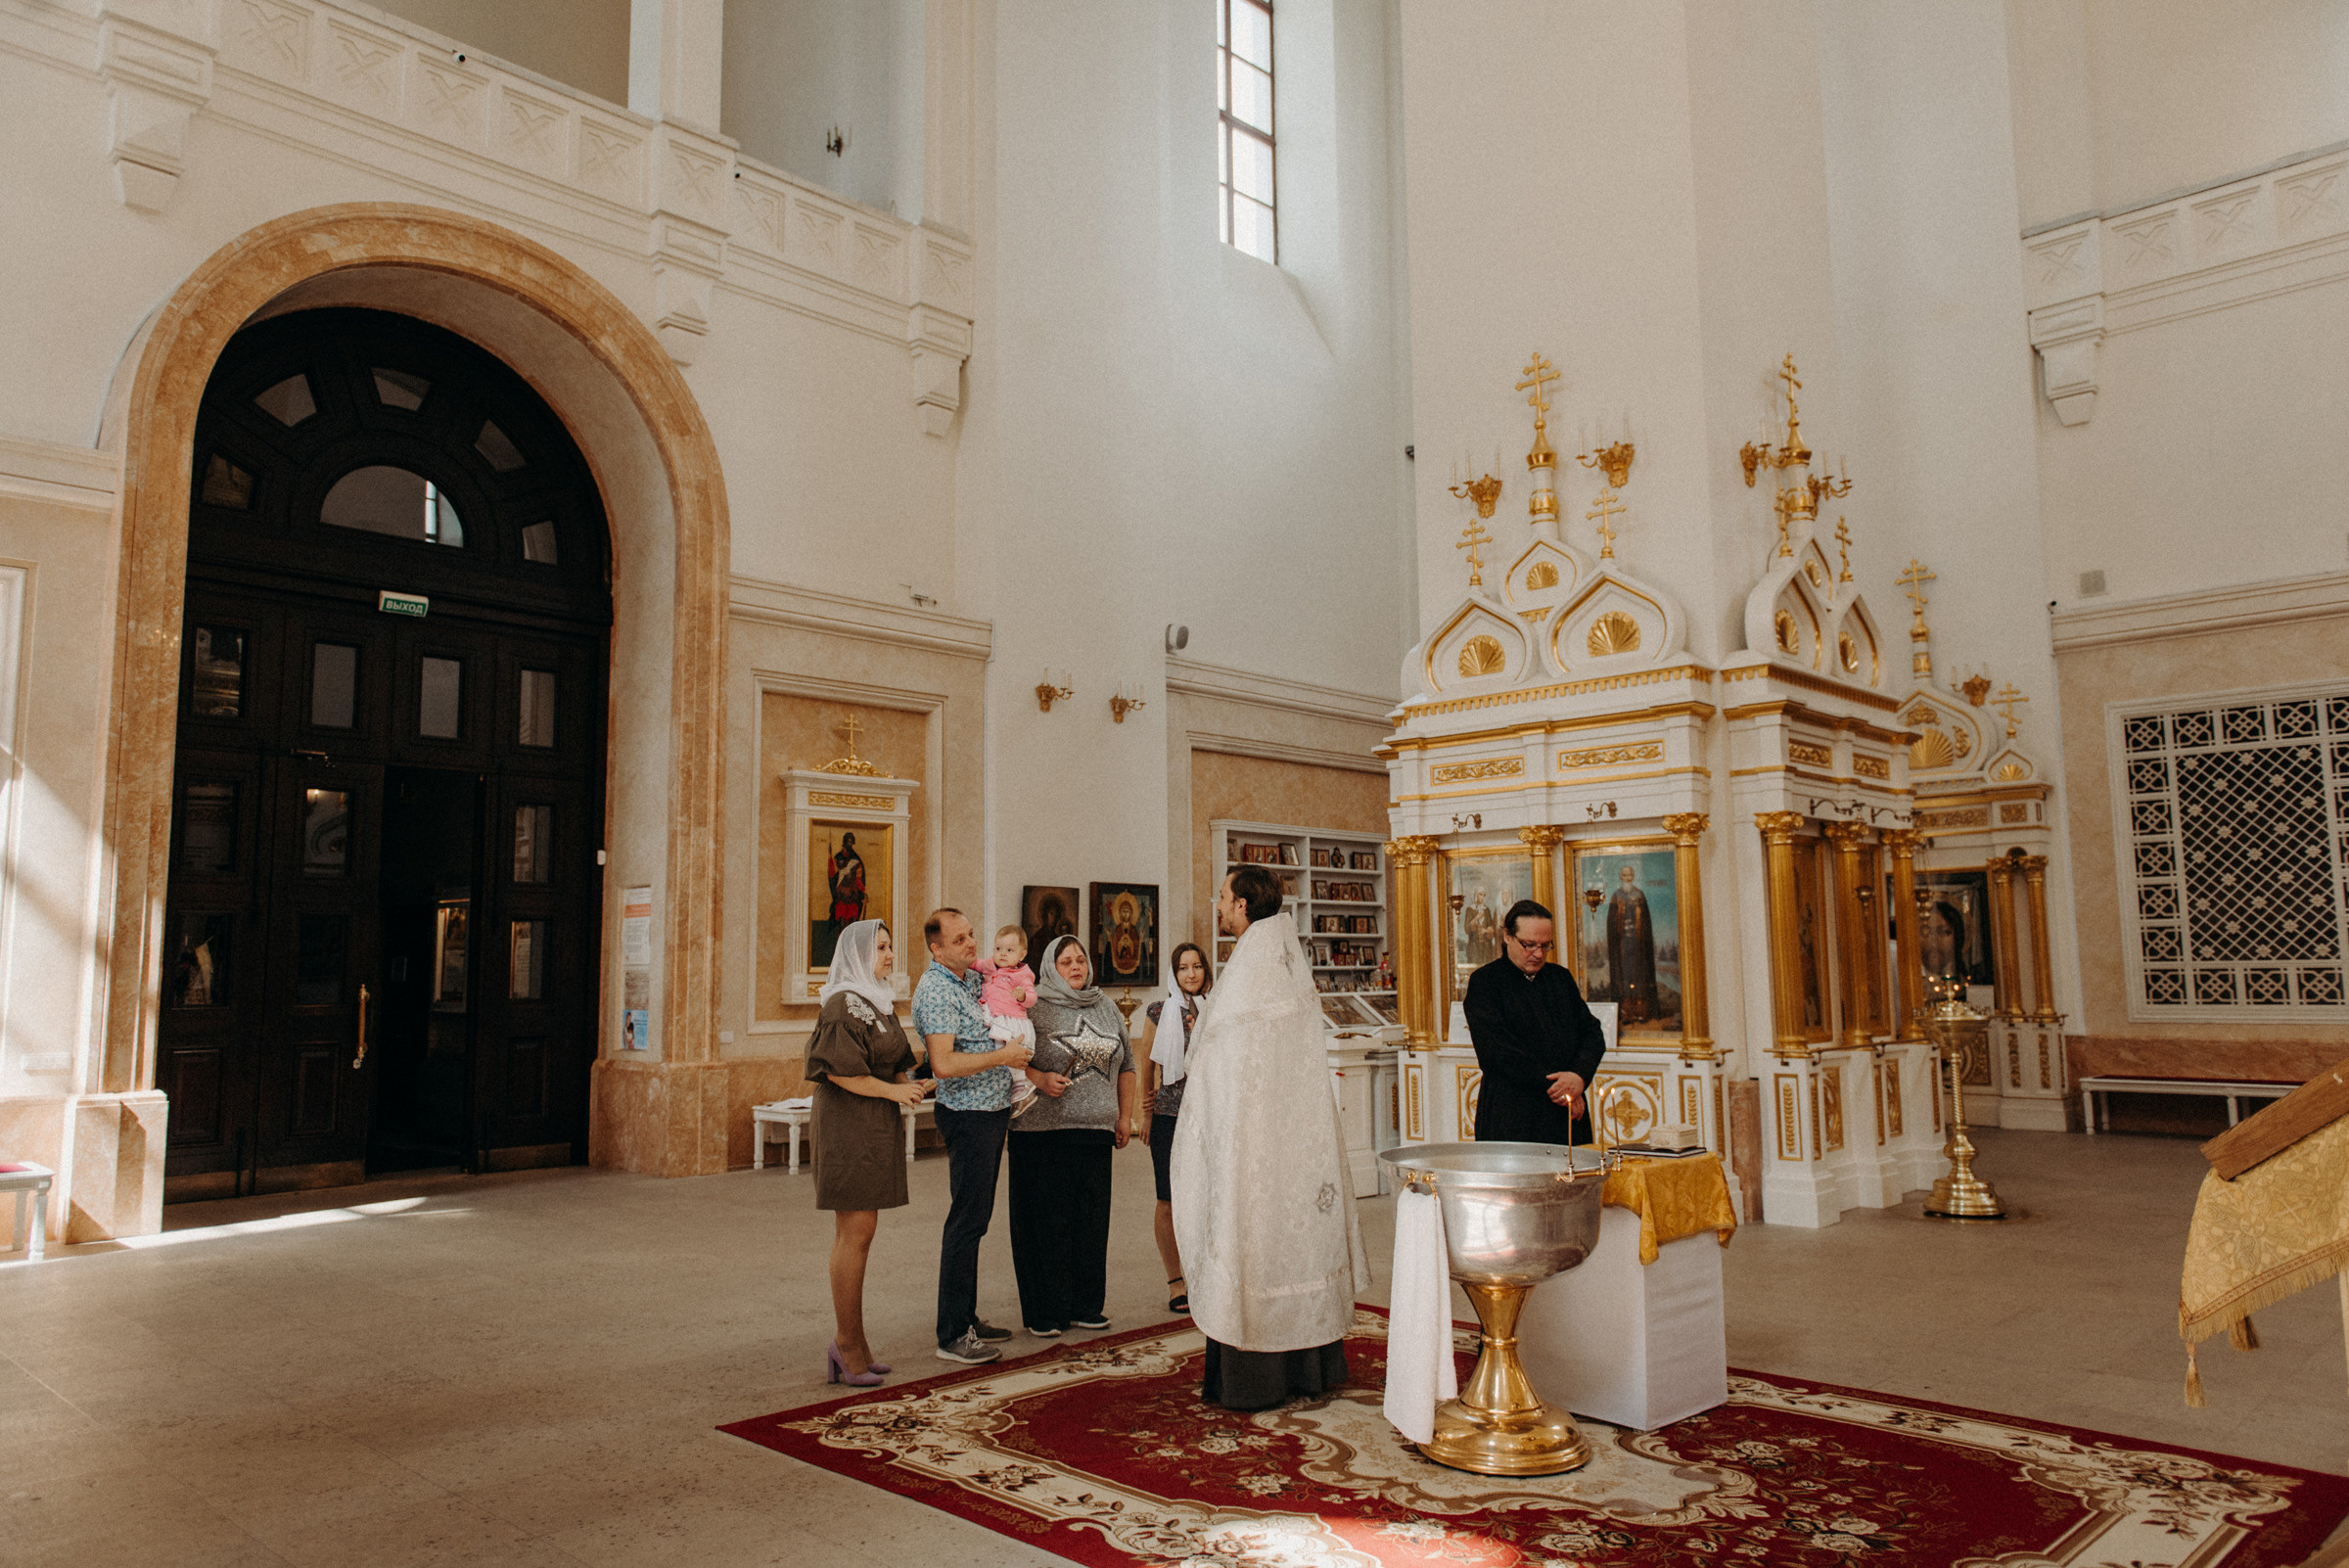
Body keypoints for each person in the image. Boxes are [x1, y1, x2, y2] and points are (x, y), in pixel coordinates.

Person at [1172, 866, 1370, 1411]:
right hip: (1294, 1134)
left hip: (1253, 1141)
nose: (1217, 906)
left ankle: (1255, 1377)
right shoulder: (1284, 955)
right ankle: (1311, 1368)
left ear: (1241, 906)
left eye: (1221, 897)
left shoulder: (1248, 969)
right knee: (1294, 1238)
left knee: (1253, 1238)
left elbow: (1214, 1056)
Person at [803, 919, 928, 1387]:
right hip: (848, 1123)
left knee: (864, 1231)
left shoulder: (878, 1002)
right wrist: (895, 1094)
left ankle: (856, 1341)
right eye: (881, 947)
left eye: (891, 946)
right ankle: (846, 1344)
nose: (890, 955)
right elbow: (840, 1073)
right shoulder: (841, 1004)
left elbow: (894, 1062)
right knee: (854, 1231)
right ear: (856, 954)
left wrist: (910, 1085)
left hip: (875, 1122)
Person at [910, 907, 1035, 1365]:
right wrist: (1004, 1056)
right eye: (959, 939)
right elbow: (943, 1065)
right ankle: (951, 1334)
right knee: (966, 1219)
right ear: (936, 948)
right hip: (968, 1115)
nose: (971, 943)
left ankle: (966, 1316)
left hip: (991, 1110)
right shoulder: (938, 990)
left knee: (977, 1218)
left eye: (971, 934)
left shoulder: (968, 981)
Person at [1009, 935, 1141, 1338]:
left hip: (1095, 1131)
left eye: (1080, 959)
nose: (1075, 967)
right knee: (1048, 1223)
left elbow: (1128, 1065)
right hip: (1042, 1132)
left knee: (1091, 1221)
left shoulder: (1104, 1005)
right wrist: (1038, 1077)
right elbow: (1009, 1055)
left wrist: (1125, 1117)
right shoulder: (1033, 1006)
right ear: (1051, 967)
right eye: (1065, 961)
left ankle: (1086, 1304)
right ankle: (1045, 1311)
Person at [1461, 898, 1606, 1145]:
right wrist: (1564, 1088)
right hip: (1512, 1116)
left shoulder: (1560, 978)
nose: (1538, 954)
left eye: (1545, 946)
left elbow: (1592, 1032)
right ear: (1507, 936)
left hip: (1566, 1115)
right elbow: (1498, 1053)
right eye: (1529, 945)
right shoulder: (1485, 982)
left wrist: (1578, 1077)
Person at [1137, 941, 1212, 1314]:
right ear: (1174, 973)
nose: (1191, 974)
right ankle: (1175, 1281)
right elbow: (1146, 1063)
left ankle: (1204, 1275)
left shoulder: (1217, 1008)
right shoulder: (1160, 1009)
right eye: (1183, 968)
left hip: (1208, 1117)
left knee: (1205, 1198)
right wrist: (1145, 1115)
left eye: (1197, 966)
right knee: (1167, 1199)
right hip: (1168, 1115)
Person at [976, 924, 1040, 1119]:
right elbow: (974, 964)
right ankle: (1018, 1089)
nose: (1002, 954)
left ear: (1021, 955)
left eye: (1009, 950)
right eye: (998, 949)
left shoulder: (1022, 975)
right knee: (999, 1052)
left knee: (1007, 1052)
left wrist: (1022, 997)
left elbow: (1032, 997)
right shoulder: (990, 965)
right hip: (998, 1017)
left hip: (1013, 1020)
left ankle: (1021, 1084)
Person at [1605, 862, 1658, 1025]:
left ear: (1633, 876)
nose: (1627, 878)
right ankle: (1626, 1011)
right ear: (1621, 877)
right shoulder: (1616, 896)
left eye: (1630, 875)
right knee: (1625, 976)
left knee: (1639, 975)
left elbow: (1645, 922)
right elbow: (1612, 922)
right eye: (1624, 875)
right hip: (1622, 946)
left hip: (1638, 946)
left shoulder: (1639, 895)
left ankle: (1641, 1011)